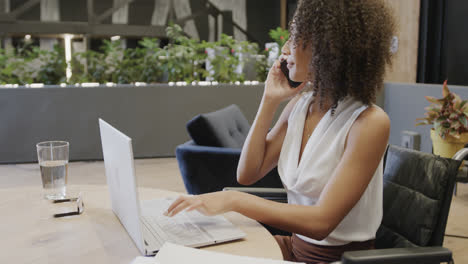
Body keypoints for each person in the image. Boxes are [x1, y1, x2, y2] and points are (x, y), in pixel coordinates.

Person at [165, 0, 395, 263]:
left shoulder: (369, 123)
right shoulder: (301, 105)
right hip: (294, 249)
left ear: (328, 47)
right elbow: (247, 173)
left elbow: (321, 223)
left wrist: (234, 200)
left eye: (295, 38)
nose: (285, 49)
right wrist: (269, 100)